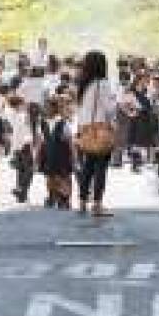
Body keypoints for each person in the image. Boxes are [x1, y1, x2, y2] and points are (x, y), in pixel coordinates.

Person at [75, 50, 116, 216]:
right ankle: (97, 204)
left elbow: (82, 109)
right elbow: (109, 108)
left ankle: (82, 203)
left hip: (85, 128)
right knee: (100, 167)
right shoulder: (103, 83)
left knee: (87, 167)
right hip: (100, 129)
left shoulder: (84, 83)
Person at [38, 97, 74, 209]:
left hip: (61, 153)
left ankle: (64, 198)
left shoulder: (62, 122)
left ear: (54, 108)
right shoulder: (43, 122)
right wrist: (38, 155)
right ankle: (52, 196)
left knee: (63, 176)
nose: (46, 109)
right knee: (50, 176)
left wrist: (74, 155)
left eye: (48, 107)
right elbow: (41, 139)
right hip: (48, 152)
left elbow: (69, 139)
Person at [7, 95, 35, 204]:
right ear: (19, 104)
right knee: (29, 170)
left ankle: (20, 192)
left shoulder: (10, 115)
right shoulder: (23, 116)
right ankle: (22, 191)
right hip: (25, 145)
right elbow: (27, 132)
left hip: (16, 147)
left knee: (20, 170)